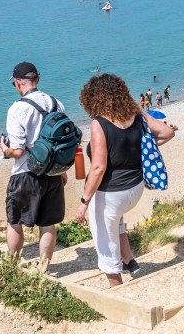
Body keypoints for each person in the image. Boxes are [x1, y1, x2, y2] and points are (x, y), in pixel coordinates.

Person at [75, 73, 175, 287]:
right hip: (135, 189)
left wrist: (84, 202)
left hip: (111, 193)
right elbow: (167, 132)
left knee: (105, 240)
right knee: (117, 221)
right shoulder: (136, 115)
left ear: (94, 98)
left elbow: (99, 167)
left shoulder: (98, 124)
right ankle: (130, 261)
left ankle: (116, 286)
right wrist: (143, 146)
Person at [0, 62, 67, 265]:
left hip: (26, 172)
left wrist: (4, 149)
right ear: (37, 79)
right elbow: (60, 140)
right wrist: (62, 170)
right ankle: (44, 267)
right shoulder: (57, 103)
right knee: (47, 224)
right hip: (53, 172)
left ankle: (13, 265)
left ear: (18, 83)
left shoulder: (17, 109)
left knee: (15, 221)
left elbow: (18, 150)